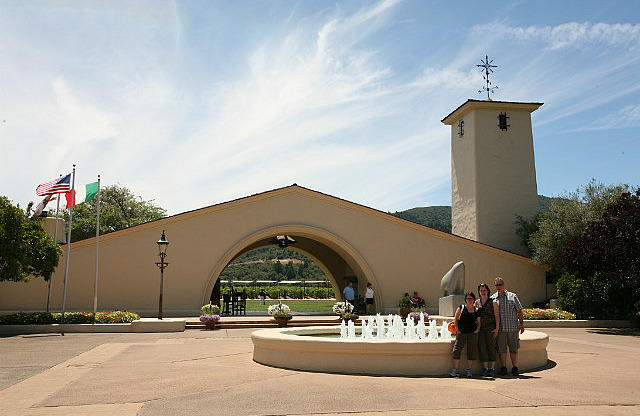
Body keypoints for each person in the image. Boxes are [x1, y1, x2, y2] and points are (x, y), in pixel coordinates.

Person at [491, 277, 525, 376]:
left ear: (503, 285)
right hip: (501, 329)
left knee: (513, 348)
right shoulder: (493, 298)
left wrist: (521, 324)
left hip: (513, 328)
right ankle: (504, 367)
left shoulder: (512, 296)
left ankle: (515, 367)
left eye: (500, 284)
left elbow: (519, 310)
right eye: (496, 285)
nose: (498, 287)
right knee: (502, 349)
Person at [450, 291, 481, 377]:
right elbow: (456, 319)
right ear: (465, 299)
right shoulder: (461, 308)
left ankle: (469, 371)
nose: (469, 300)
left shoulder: (476, 310)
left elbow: (479, 322)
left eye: (471, 298)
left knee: (471, 352)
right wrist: (457, 330)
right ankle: (456, 370)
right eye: (468, 298)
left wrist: (477, 330)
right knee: (456, 351)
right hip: (461, 333)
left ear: (474, 299)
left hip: (472, 334)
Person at [475, 283, 500, 377]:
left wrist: (497, 328)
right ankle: (485, 368)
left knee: (491, 347)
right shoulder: (477, 302)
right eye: (481, 291)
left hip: (491, 329)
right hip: (480, 329)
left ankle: (492, 368)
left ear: (488, 291)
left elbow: (497, 316)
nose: (482, 292)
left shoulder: (493, 302)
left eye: (484, 290)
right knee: (482, 348)